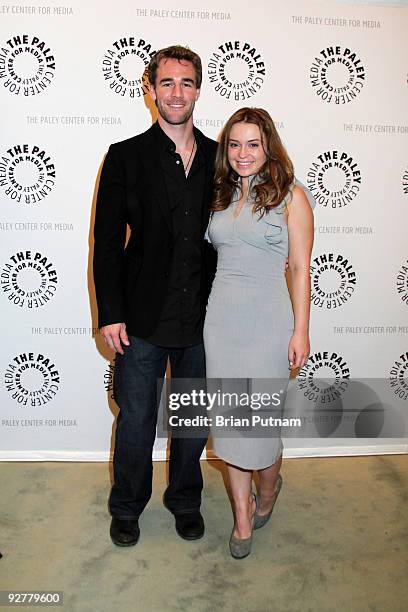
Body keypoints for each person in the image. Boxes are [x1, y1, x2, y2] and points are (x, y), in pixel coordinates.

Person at [93, 45, 217, 547]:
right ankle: (126, 506)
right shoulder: (124, 156)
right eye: (166, 83)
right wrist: (111, 313)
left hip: (204, 318)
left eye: (186, 83)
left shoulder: (218, 156)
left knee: (192, 424)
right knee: (137, 421)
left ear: (198, 90)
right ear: (150, 89)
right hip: (141, 318)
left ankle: (185, 500)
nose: (176, 93)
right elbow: (104, 243)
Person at [203, 107, 314, 558]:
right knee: (230, 425)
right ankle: (243, 522)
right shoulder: (219, 195)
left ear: (268, 146)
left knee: (260, 427)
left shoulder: (292, 197)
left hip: (269, 321)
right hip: (221, 321)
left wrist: (301, 331)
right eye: (234, 144)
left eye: (252, 143)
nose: (242, 153)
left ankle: (269, 490)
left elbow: (302, 269)